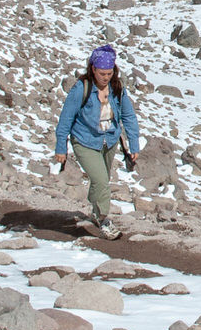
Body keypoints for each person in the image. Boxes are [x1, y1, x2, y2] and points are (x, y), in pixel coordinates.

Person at [54, 44, 140, 231]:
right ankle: (103, 219)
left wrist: (134, 145)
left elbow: (129, 116)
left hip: (108, 142)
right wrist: (61, 147)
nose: (106, 77)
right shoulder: (81, 89)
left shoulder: (117, 88)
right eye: (102, 74)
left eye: (109, 73)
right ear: (93, 69)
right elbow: (66, 118)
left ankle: (95, 211)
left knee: (101, 180)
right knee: (101, 181)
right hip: (84, 141)